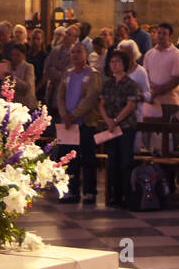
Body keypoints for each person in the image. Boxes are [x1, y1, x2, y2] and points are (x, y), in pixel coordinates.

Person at [56, 42, 102, 204]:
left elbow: (90, 98)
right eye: (73, 52)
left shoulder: (93, 74)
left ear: (86, 54)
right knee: (68, 159)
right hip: (67, 123)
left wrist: (74, 115)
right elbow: (60, 96)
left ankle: (89, 191)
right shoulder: (67, 73)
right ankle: (70, 190)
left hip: (85, 122)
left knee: (87, 158)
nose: (75, 55)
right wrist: (64, 114)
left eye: (78, 52)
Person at [100, 46, 140, 207]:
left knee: (125, 161)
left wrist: (116, 120)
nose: (114, 65)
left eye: (118, 62)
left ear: (124, 64)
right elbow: (101, 104)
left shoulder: (130, 84)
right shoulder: (108, 84)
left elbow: (130, 105)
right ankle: (114, 195)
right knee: (113, 161)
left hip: (125, 126)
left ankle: (126, 196)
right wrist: (108, 120)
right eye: (112, 62)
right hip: (111, 127)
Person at [143, 23, 179, 118]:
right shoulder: (149, 54)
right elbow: (146, 76)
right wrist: (152, 91)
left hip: (169, 102)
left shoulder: (176, 54)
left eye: (164, 34)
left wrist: (158, 90)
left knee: (167, 130)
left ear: (169, 36)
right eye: (159, 33)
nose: (160, 36)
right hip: (152, 100)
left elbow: (176, 79)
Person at [6, 42, 37, 109]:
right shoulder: (8, 66)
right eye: (13, 55)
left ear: (23, 55)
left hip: (25, 104)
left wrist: (13, 78)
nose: (14, 57)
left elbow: (28, 87)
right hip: (12, 104)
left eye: (18, 55)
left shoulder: (28, 67)